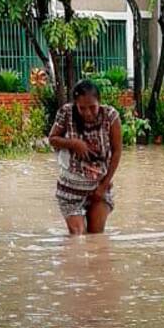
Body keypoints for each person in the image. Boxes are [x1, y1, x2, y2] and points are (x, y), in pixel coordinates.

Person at [47, 79, 123, 235]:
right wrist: (74, 143)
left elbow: (117, 152)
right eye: (82, 108)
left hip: (98, 188)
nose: (88, 113)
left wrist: (103, 186)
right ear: (75, 105)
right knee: (78, 237)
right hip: (70, 190)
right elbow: (52, 139)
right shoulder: (66, 113)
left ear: (99, 102)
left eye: (92, 107)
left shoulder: (111, 116)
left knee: (96, 236)